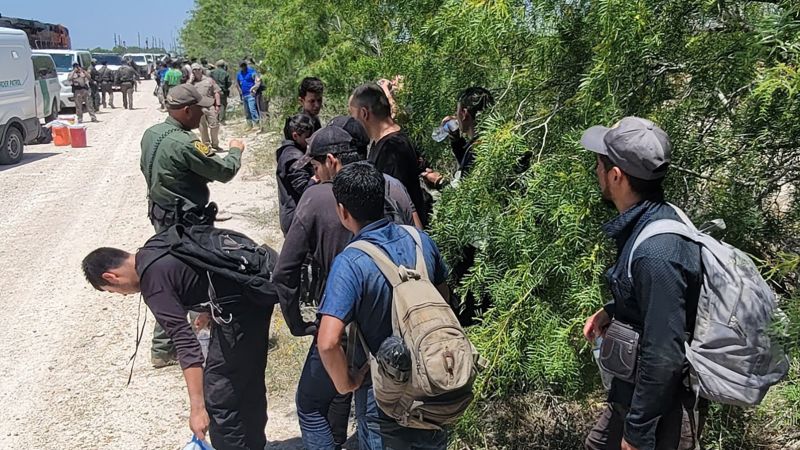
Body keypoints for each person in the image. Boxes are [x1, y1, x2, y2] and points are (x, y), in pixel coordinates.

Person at [274, 124, 418, 450]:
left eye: (315, 167)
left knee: (312, 403)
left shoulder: (317, 200)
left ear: (332, 161)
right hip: (403, 328)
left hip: (347, 328)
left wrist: (300, 326)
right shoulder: (391, 186)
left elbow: (285, 272)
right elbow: (420, 239)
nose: (313, 176)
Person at [579, 117, 706, 450]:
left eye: (599, 165)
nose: (596, 171)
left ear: (617, 176)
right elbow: (657, 302)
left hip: (662, 411)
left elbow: (664, 352)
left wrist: (637, 433)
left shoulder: (656, 251)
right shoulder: (651, 220)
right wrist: (612, 311)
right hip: (634, 394)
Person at [81, 243, 273, 450]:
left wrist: (197, 408)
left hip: (242, 309)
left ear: (111, 277)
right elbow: (200, 272)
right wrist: (208, 309)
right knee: (244, 381)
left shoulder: (153, 286)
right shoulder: (154, 250)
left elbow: (186, 344)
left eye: (114, 292)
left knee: (220, 395)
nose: (124, 295)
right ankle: (254, 444)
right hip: (253, 291)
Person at [315, 161, 449, 449]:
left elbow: (327, 342)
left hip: (385, 397)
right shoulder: (421, 240)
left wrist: (345, 384)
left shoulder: (351, 262)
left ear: (343, 211)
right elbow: (443, 299)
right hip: (435, 384)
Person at [140, 84, 246, 367]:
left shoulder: (152, 134)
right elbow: (223, 171)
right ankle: (171, 346)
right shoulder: (185, 143)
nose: (202, 114)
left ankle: (167, 346)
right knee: (187, 279)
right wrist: (236, 151)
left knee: (169, 277)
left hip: (161, 216)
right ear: (187, 110)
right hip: (184, 224)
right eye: (199, 109)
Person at [349, 83, 428, 226]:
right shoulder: (384, 142)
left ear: (364, 113)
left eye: (354, 117)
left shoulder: (392, 149)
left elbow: (395, 204)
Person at [423, 86, 495, 188]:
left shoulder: (479, 148)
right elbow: (469, 165)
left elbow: (463, 192)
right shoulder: (493, 138)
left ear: (464, 114)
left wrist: (438, 181)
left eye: (457, 112)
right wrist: (456, 140)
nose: (455, 116)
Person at [276, 113, 316, 235]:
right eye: (307, 137)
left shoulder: (288, 151)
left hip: (293, 216)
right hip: (296, 219)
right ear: (295, 136)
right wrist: (319, 175)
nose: (310, 140)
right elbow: (305, 189)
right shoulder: (294, 157)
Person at [190, 63, 222, 150]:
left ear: (201, 70)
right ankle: (206, 145)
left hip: (210, 105)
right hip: (198, 107)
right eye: (194, 70)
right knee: (202, 127)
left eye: (198, 69)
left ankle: (215, 144)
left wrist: (218, 105)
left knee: (215, 125)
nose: (196, 71)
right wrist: (190, 80)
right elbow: (186, 92)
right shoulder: (191, 83)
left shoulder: (209, 80)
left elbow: (216, 92)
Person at [237, 61, 261, 128]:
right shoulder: (239, 74)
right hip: (244, 95)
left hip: (251, 94)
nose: (243, 67)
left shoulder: (251, 72)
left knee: (252, 109)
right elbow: (238, 83)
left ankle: (257, 124)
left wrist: (254, 89)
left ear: (246, 65)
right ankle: (249, 125)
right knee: (247, 111)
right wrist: (240, 91)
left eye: (244, 65)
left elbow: (257, 81)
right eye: (241, 66)